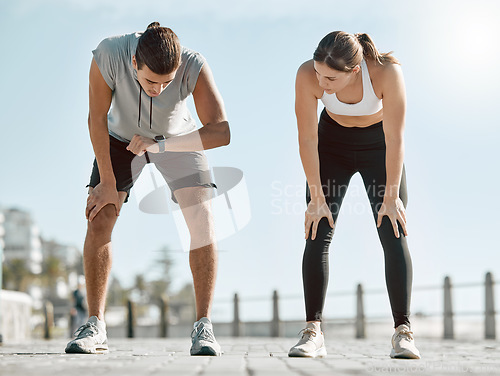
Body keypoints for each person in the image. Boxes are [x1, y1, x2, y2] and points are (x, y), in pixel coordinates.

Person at [65, 22, 230, 356]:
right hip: (119, 140)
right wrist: (108, 185)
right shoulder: (109, 54)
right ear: (135, 64)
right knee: (100, 217)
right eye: (151, 81)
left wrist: (162, 146)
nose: (158, 89)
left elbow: (222, 132)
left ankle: (203, 326)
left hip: (175, 139)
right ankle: (95, 324)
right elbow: (96, 118)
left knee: (202, 219)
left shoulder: (193, 65)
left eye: (166, 83)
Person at [288, 31, 420, 359]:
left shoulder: (387, 73)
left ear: (355, 71)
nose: (322, 82)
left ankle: (403, 332)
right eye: (319, 74)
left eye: (331, 78)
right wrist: (316, 198)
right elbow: (306, 138)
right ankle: (312, 332)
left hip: (380, 148)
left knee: (393, 228)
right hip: (331, 146)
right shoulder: (308, 75)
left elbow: (396, 137)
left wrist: (391, 196)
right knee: (317, 231)